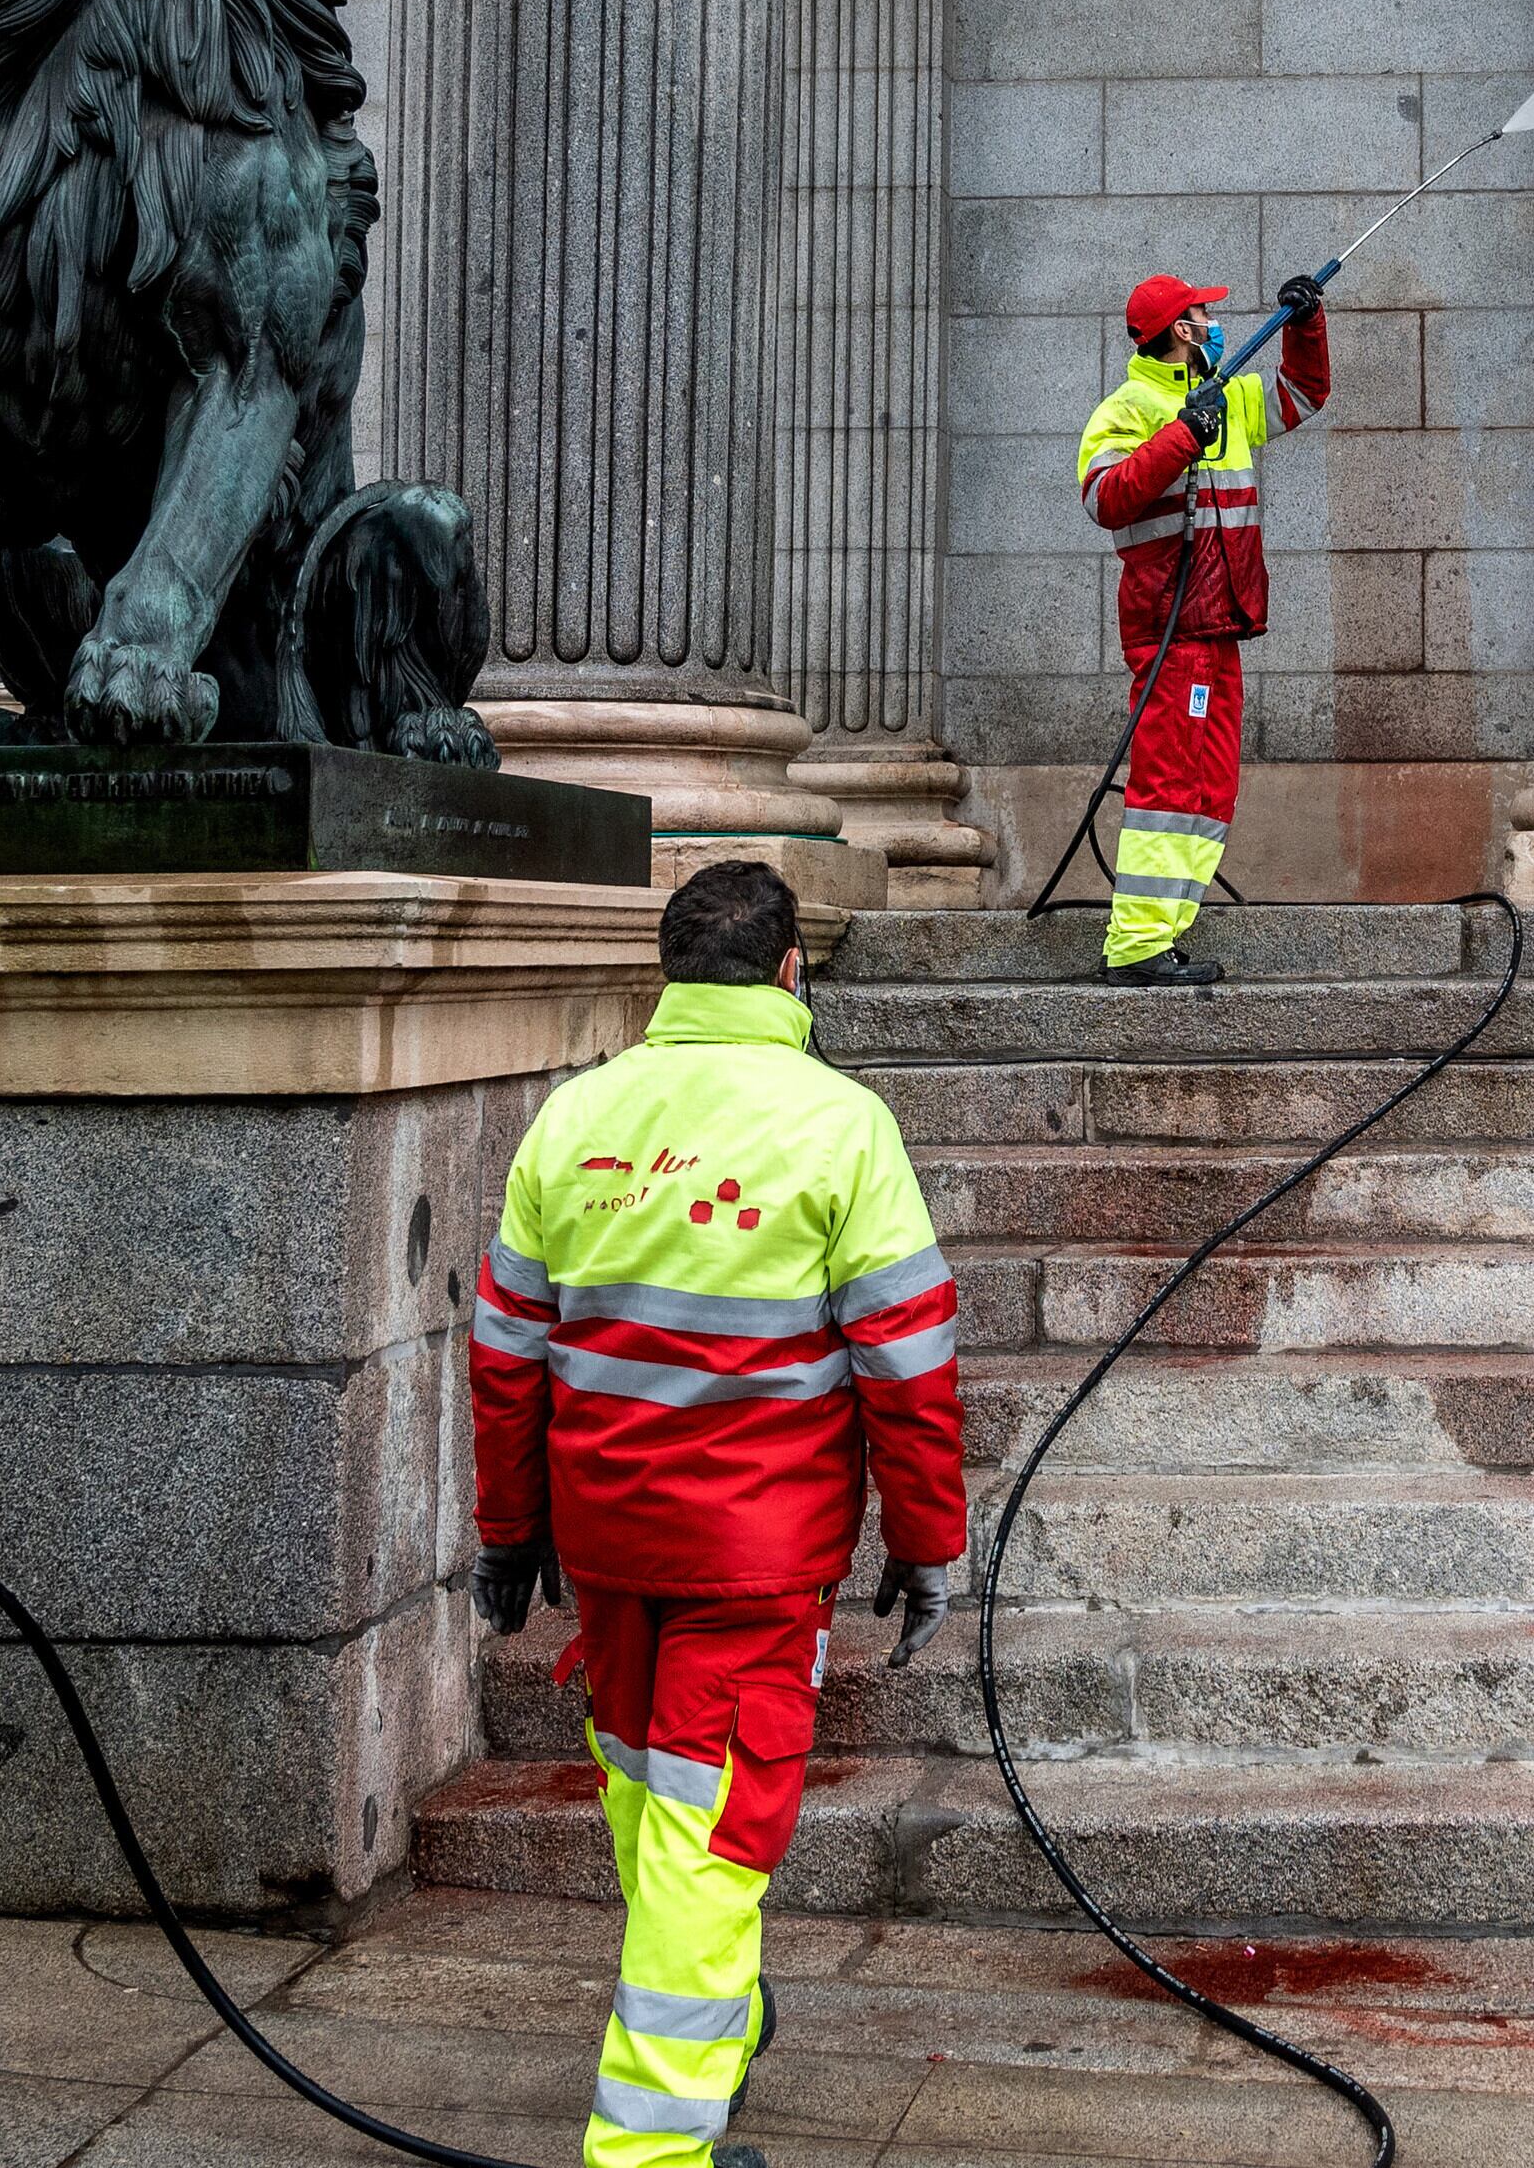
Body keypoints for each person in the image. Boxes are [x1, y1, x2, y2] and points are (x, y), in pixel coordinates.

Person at [467, 859, 966, 2168]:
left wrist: (508, 1528)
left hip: (608, 1539)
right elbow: (907, 1365)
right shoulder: (842, 1124)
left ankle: (716, 2012)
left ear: (670, 977)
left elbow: (506, 1351)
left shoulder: (574, 1118)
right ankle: (648, 2149)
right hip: (753, 1554)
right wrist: (926, 1542)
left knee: (648, 1784)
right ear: (793, 969)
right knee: (708, 1822)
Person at [1074, 266, 1331, 985]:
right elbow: (1104, 496)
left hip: (1219, 628)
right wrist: (1183, 436)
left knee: (1209, 787)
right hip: (1171, 633)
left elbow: (1304, 393)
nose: (1216, 323)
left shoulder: (1227, 398)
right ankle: (1135, 946)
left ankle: (1165, 934)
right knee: (1168, 788)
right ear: (1179, 332)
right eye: (1202, 314)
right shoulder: (1128, 407)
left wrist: (1306, 324)